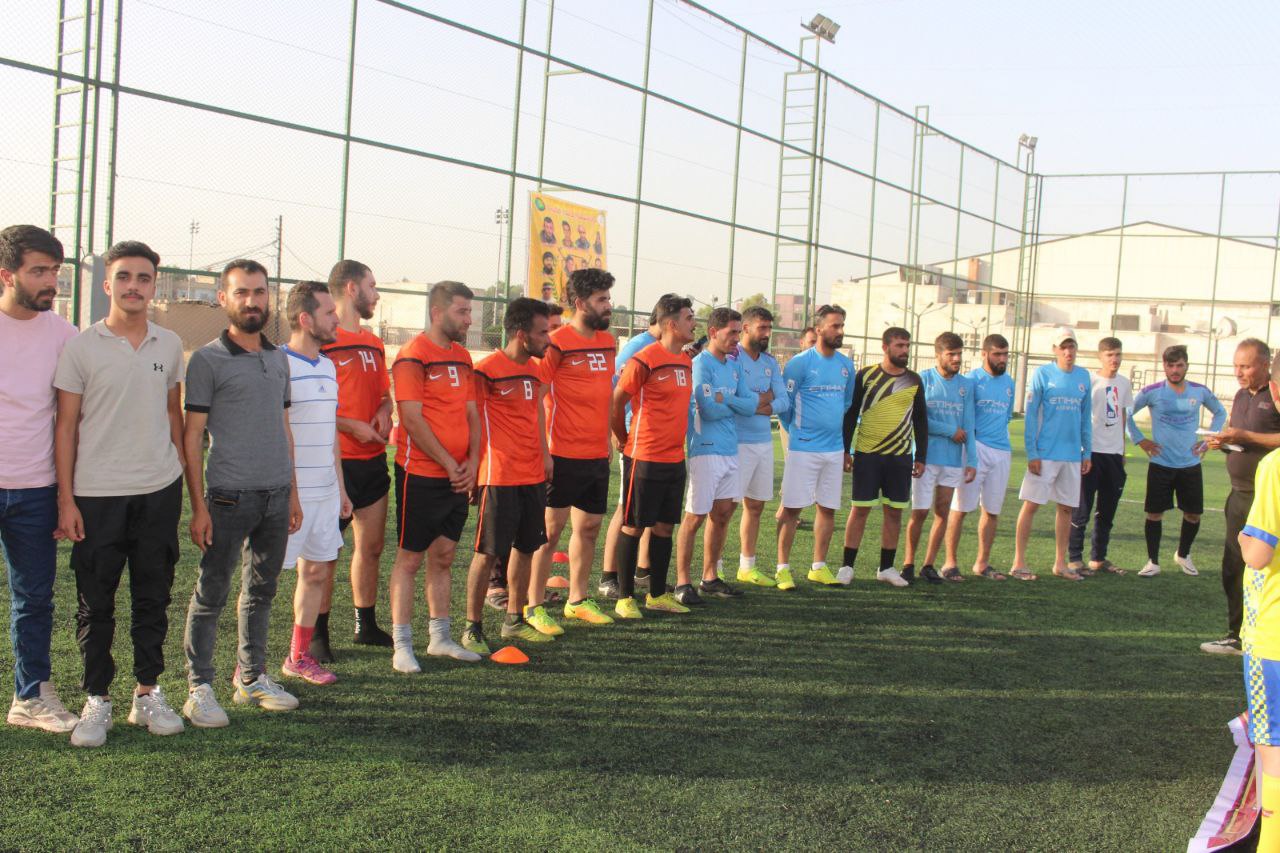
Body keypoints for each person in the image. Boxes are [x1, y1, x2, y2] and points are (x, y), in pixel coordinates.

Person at [54, 240, 186, 747]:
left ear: (154, 285)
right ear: (108, 284)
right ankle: (97, 699)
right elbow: (66, 427)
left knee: (153, 597)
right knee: (96, 603)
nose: (134, 286)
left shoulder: (169, 344)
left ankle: (147, 693)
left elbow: (173, 415)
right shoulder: (80, 347)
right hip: (97, 494)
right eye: (125, 277)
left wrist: (183, 480)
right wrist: (67, 500)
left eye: (144, 278)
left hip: (158, 489)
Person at [181, 259, 303, 727]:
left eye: (259, 291)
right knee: (211, 592)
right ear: (223, 299)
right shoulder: (207, 360)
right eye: (241, 292)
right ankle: (199, 687)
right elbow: (192, 437)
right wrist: (198, 506)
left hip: (275, 496)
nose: (252, 301)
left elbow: (284, 427)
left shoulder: (278, 358)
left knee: (262, 592)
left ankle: (251, 678)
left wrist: (291, 493)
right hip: (228, 497)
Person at [1, 225, 80, 734]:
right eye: (39, 271)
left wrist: (66, 497)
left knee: (33, 599)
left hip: (36, 489)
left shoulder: (65, 336)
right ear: (7, 275)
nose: (51, 281)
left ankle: (29, 696)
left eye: (54, 270)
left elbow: (72, 421)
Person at [387, 281, 482, 672]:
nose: (469, 319)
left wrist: (473, 462)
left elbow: (472, 414)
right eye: (462, 311)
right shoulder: (413, 356)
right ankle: (402, 645)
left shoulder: (463, 356)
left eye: (469, 311)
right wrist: (448, 463)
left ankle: (440, 638)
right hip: (422, 475)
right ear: (437, 312)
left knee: (444, 556)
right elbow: (411, 418)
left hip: (458, 476)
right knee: (410, 559)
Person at [462, 298, 554, 653]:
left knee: (527, 548)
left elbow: (537, 413)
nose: (548, 339)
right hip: (499, 475)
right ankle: (472, 628)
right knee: (488, 552)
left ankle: (514, 620)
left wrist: (545, 454)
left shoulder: (535, 369)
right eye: (542, 332)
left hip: (532, 474)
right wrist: (475, 468)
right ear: (521, 334)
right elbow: (472, 421)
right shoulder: (486, 370)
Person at [527, 269, 617, 629]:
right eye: (601, 299)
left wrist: (607, 438)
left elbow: (605, 394)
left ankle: (577, 600)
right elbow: (536, 397)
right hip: (561, 453)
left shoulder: (607, 341)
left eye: (608, 298)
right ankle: (533, 606)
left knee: (590, 527)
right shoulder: (557, 343)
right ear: (580, 303)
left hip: (596, 453)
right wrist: (543, 451)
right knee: (549, 533)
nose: (608, 305)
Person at [278, 282, 353, 687]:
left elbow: (330, 434)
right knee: (263, 582)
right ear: (305, 319)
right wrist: (290, 493)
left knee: (316, 573)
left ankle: (298, 656)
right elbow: (279, 434)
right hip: (289, 495)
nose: (337, 318)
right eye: (329, 312)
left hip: (325, 492)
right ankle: (247, 665)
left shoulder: (327, 365)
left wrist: (340, 489)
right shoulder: (277, 364)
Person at [320, 259, 393, 660]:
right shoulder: (323, 341)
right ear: (351, 289)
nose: (376, 295)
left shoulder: (374, 343)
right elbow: (308, 407)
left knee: (373, 546)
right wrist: (351, 426)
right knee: (327, 551)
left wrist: (384, 410)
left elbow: (385, 394)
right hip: (336, 462)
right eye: (372, 286)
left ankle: (365, 624)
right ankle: (317, 634)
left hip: (373, 459)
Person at [610, 294, 699, 617]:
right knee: (633, 526)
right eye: (689, 318)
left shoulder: (686, 361)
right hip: (644, 457)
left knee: (664, 528)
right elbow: (616, 402)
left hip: (675, 459)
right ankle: (625, 598)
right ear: (672, 324)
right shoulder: (644, 359)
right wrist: (623, 438)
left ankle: (658, 594)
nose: (694, 324)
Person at [1202, 339, 1280, 655]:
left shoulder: (1274, 396)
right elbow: (1239, 436)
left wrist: (1245, 436)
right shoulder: (1239, 396)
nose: (1238, 372)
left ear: (1264, 365)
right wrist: (1224, 442)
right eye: (1236, 365)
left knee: (1263, 567)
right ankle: (1237, 634)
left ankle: (1262, 634)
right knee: (1233, 566)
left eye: (1245, 366)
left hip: (1267, 498)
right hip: (1239, 494)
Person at [676, 307, 758, 604]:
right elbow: (708, 410)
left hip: (730, 449)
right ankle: (682, 582)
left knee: (722, 515)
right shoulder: (700, 364)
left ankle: (709, 578)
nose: (737, 338)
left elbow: (752, 405)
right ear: (713, 332)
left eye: (738, 332)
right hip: (706, 450)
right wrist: (734, 404)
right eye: (732, 332)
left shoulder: (734, 366)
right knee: (695, 517)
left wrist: (728, 399)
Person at [1233, 350, 1280, 850]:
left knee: (1273, 750)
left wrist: (1245, 538)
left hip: (1273, 638)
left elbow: (1260, 555)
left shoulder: (1275, 467)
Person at [1128, 344, 1226, 578]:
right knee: (1154, 514)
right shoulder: (1151, 392)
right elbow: (1125, 413)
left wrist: (1208, 439)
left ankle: (1183, 554)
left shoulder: (1200, 391)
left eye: (1179, 365)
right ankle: (1153, 562)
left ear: (1186, 366)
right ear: (1164, 366)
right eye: (1170, 365)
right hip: (1160, 464)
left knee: (1193, 514)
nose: (1174, 370)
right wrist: (1140, 440)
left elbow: (1220, 413)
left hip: (1190, 465)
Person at [775, 305, 856, 589]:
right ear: (819, 329)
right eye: (835, 326)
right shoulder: (799, 364)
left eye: (842, 325)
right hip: (804, 448)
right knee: (792, 509)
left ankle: (818, 567)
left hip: (833, 449)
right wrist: (801, 433)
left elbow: (847, 404)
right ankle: (782, 569)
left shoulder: (846, 366)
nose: (840, 331)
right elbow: (785, 408)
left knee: (828, 508)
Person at [840, 327, 927, 588]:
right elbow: (851, 413)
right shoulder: (865, 375)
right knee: (860, 510)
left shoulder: (914, 380)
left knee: (894, 512)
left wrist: (921, 455)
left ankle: (886, 568)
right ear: (885, 347)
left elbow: (920, 420)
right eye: (900, 345)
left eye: (907, 346)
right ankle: (847, 566)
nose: (905, 350)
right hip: (868, 454)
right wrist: (846, 450)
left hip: (900, 457)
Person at [599, 299, 675, 598]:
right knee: (627, 509)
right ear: (668, 320)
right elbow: (614, 389)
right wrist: (617, 432)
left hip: (660, 443)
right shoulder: (638, 347)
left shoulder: (667, 350)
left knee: (649, 513)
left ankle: (643, 570)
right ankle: (609, 576)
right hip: (636, 438)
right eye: (687, 318)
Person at [1008, 328, 1092, 581]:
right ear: (1055, 350)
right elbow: (1031, 416)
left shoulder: (1084, 376)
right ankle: (1018, 562)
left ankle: (1060, 563)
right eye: (1063, 347)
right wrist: (1032, 453)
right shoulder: (1042, 374)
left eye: (1071, 346)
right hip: (1045, 454)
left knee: (1066, 509)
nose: (1068, 351)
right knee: (1031, 505)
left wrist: (1086, 452)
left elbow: (1085, 418)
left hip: (1072, 455)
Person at [900, 332, 976, 584]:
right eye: (951, 354)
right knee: (920, 512)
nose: (956, 359)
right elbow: (917, 419)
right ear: (938, 354)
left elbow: (969, 425)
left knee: (942, 511)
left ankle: (928, 565)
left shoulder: (966, 386)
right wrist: (949, 430)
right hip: (925, 457)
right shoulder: (922, 379)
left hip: (952, 460)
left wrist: (972, 460)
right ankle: (908, 564)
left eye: (959, 354)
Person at [943, 334, 1014, 580]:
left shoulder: (1010, 382)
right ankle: (950, 563)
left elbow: (1006, 417)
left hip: (1002, 452)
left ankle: (982, 564)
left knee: (992, 511)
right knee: (960, 508)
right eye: (997, 354)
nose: (1002, 359)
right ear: (984, 354)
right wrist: (971, 451)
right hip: (975, 449)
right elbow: (964, 418)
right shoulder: (971, 381)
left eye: (1005, 354)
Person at [1066, 336, 1133, 576]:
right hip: (1091, 453)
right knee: (1082, 509)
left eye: (1118, 354)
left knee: (1107, 511)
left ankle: (1098, 558)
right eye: (1109, 355)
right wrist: (1081, 449)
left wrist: (1122, 449)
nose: (1114, 359)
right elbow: (1080, 416)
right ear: (1100, 356)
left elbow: (1122, 415)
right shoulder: (1090, 381)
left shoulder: (1124, 383)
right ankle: (1075, 558)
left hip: (1113, 455)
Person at [733, 306, 789, 587]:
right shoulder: (732, 357)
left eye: (769, 328)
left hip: (763, 443)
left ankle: (747, 566)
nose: (767, 333)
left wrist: (761, 406)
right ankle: (715, 569)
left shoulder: (769, 362)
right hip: (736, 443)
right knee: (723, 509)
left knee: (755, 506)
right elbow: (735, 400)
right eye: (762, 328)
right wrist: (761, 400)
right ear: (745, 328)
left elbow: (784, 400)